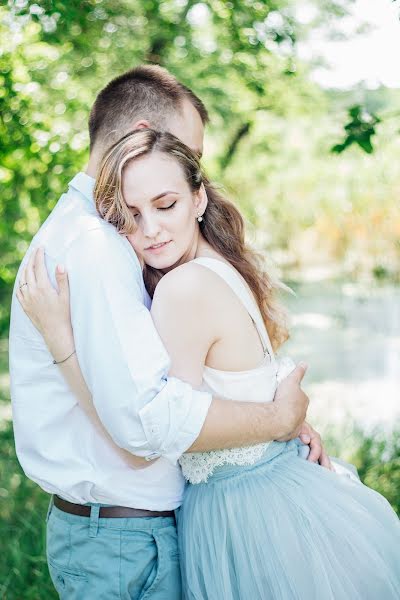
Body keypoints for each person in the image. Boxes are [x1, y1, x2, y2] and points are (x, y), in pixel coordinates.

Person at [18, 128, 400, 599]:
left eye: (166, 205)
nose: (150, 229)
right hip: (277, 490)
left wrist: (62, 343)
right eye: (131, 216)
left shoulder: (182, 290)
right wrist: (286, 419)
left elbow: (145, 440)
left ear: (199, 199)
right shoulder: (222, 265)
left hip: (247, 515)